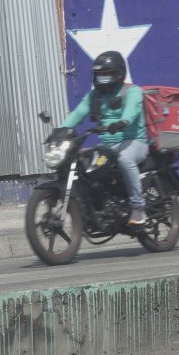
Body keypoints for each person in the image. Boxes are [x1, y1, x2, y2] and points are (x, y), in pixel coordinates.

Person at [61, 50, 149, 226]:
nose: (102, 78)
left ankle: (138, 208)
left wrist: (123, 122)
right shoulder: (95, 96)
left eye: (106, 75)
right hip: (108, 146)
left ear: (118, 74)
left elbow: (132, 110)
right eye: (99, 75)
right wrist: (61, 130)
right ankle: (98, 208)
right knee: (84, 164)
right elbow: (78, 113)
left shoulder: (132, 92)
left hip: (134, 142)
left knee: (125, 159)